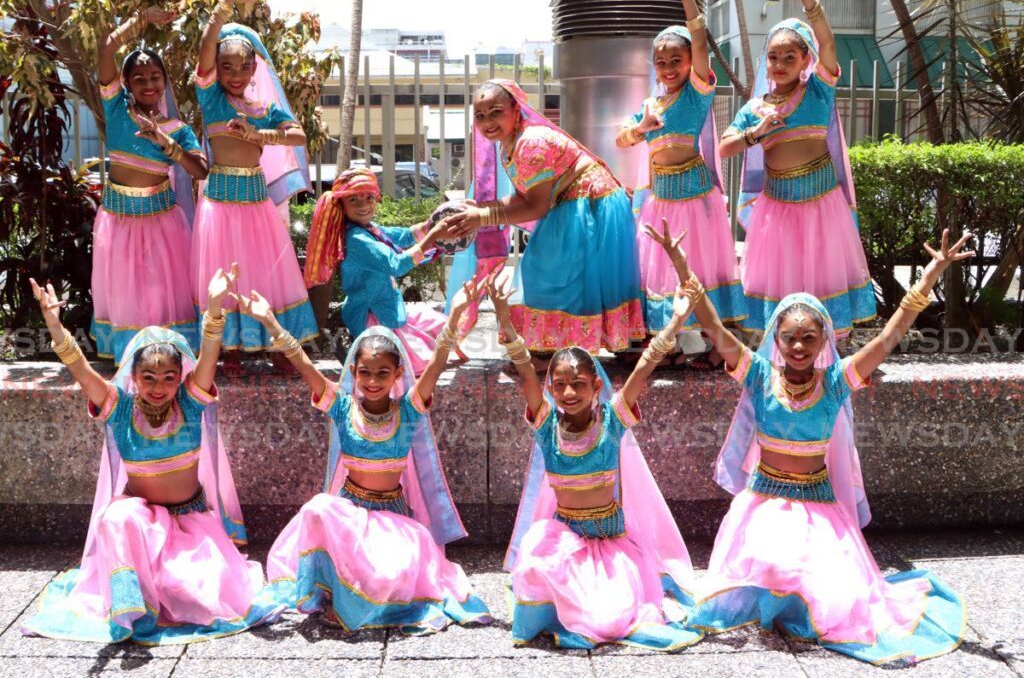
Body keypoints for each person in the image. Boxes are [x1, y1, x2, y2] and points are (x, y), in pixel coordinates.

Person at [648, 220, 970, 664]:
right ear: (776, 341)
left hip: (819, 506)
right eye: (789, 337)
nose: (798, 345)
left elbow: (886, 339)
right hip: (762, 503)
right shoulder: (759, 376)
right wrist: (681, 263)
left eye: (808, 337)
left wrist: (930, 276)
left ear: (823, 342)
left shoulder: (836, 382)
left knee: (841, 598)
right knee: (769, 566)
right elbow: (715, 329)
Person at [23, 268, 281, 644]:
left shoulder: (191, 406)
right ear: (133, 378)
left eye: (167, 378)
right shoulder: (120, 408)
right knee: (116, 516)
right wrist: (54, 326)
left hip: (190, 525)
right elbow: (79, 368)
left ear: (181, 378)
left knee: (198, 599)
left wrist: (213, 307)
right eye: (148, 378)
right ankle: (128, 614)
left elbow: (209, 353)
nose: (158, 387)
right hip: (139, 527)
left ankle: (162, 591)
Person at [238, 281, 491, 633]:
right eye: (365, 372)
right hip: (349, 517)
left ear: (398, 374)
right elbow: (303, 363)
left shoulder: (409, 411)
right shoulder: (342, 408)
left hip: (394, 521)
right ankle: (319, 594)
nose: (373, 380)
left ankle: (355, 596)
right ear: (354, 373)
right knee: (316, 508)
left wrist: (458, 314)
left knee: (388, 577)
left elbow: (436, 362)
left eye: (382, 373)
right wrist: (270, 322)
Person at [491, 271, 701, 650]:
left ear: (597, 387)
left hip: (610, 544)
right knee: (535, 563)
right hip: (564, 540)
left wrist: (676, 321)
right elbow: (525, 367)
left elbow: (644, 367)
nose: (569, 392)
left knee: (609, 618)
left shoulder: (613, 423)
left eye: (579, 384)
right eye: (559, 385)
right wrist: (505, 321)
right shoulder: (545, 425)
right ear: (550, 389)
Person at [450, 80, 645, 359]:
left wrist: (482, 215)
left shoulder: (530, 143)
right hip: (575, 203)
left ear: (516, 110)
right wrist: (482, 208)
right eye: (480, 115)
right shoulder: (511, 143)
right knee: (553, 273)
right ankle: (562, 348)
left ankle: (561, 350)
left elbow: (536, 206)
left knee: (547, 271)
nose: (488, 121)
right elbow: (524, 199)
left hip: (588, 204)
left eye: (496, 111)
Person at [721, 0, 875, 337]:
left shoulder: (819, 90)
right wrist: (755, 133)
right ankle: (784, 343)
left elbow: (830, 45)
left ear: (807, 60)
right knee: (783, 281)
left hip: (823, 207)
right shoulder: (755, 108)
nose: (780, 64)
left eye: (790, 57)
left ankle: (826, 345)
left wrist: (809, 0)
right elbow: (724, 147)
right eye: (774, 57)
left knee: (822, 274)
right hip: (777, 211)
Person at [617, 0, 744, 367]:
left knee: (700, 272)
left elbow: (702, 41)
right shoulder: (651, 104)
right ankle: (668, 341)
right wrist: (641, 128)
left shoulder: (696, 94)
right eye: (661, 61)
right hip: (660, 201)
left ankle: (715, 346)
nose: (668, 67)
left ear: (691, 63)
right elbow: (623, 140)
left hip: (695, 201)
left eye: (677, 60)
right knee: (660, 278)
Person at [192, 0, 317, 368]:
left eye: (242, 67)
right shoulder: (212, 99)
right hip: (218, 204)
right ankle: (225, 348)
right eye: (225, 66)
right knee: (223, 277)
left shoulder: (262, 107)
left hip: (255, 202)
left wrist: (261, 135)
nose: (233, 74)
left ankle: (276, 343)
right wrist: (225, 3)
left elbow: (298, 134)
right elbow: (203, 53)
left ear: (253, 69)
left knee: (267, 274)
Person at [91, 7, 209, 360]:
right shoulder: (116, 110)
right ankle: (129, 362)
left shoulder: (177, 129)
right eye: (139, 78)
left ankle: (166, 361)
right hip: (117, 221)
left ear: (165, 81)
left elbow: (201, 171)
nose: (148, 84)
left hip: (162, 224)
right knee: (124, 295)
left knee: (161, 296)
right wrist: (141, 20)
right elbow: (107, 47)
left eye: (155, 76)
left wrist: (167, 144)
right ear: (125, 83)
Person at [303, 168, 463, 374]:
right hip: (373, 315)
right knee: (423, 362)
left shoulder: (369, 229)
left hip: (388, 307)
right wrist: (432, 237)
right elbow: (395, 264)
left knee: (444, 328)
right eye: (353, 200)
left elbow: (404, 236)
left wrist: (433, 223)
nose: (363, 205)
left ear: (376, 199)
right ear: (341, 205)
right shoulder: (356, 239)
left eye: (369, 198)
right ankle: (359, 349)